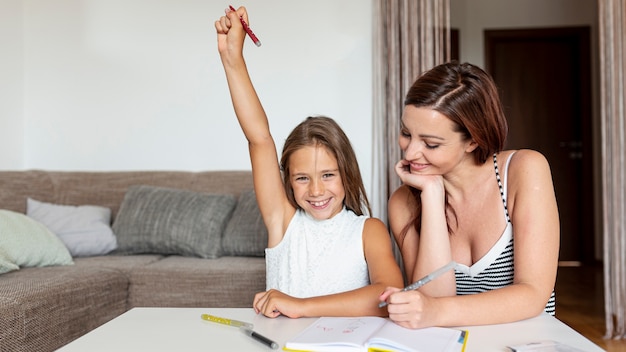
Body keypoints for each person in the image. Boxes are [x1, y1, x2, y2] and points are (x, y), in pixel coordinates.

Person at [215, 6, 403, 319]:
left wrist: (300, 306)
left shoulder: (369, 230)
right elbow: (259, 139)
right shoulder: (284, 222)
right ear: (287, 180)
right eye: (302, 178)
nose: (316, 191)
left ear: (347, 174)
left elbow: (388, 297)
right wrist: (232, 58)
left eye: (327, 175)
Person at [378, 61, 560, 329]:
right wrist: (431, 193)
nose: (410, 153)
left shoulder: (524, 170)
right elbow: (432, 301)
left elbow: (533, 295)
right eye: (406, 133)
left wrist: (433, 311)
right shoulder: (404, 202)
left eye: (431, 143)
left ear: (473, 140)